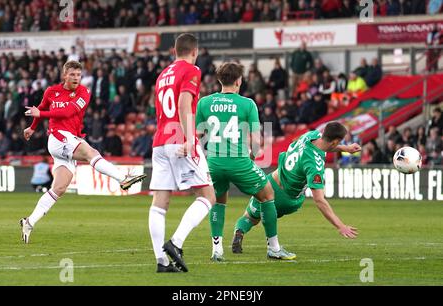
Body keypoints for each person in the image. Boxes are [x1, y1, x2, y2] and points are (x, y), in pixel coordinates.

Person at [20, 60, 146, 244]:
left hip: (69, 139)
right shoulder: (51, 92)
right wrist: (32, 127)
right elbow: (41, 109)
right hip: (57, 137)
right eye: (72, 74)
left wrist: (40, 115)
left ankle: (29, 222)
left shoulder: (84, 93)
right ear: (64, 75)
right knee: (91, 152)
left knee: (59, 188)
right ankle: (123, 179)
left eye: (79, 75)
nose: (76, 78)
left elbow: (67, 112)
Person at [196, 62, 295, 262]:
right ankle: (274, 248)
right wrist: (252, 155)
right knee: (267, 195)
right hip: (239, 162)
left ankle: (217, 250)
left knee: (218, 202)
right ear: (239, 81)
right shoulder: (247, 104)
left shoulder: (204, 103)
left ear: (219, 80)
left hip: (214, 162)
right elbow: (257, 140)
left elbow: (197, 135)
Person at [232, 122, 360, 256]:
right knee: (267, 214)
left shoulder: (311, 135)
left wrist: (346, 148)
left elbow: (326, 146)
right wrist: (340, 225)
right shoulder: (314, 164)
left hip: (269, 182)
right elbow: (319, 200)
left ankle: (239, 231)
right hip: (286, 199)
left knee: (250, 217)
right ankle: (273, 247)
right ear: (335, 142)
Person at [148, 33, 216, 273]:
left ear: (174, 51)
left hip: (160, 139)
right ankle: (175, 243)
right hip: (179, 137)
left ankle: (161, 261)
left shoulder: (162, 75)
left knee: (160, 202)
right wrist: (189, 139)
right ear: (195, 52)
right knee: (208, 196)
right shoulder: (192, 70)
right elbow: (184, 105)